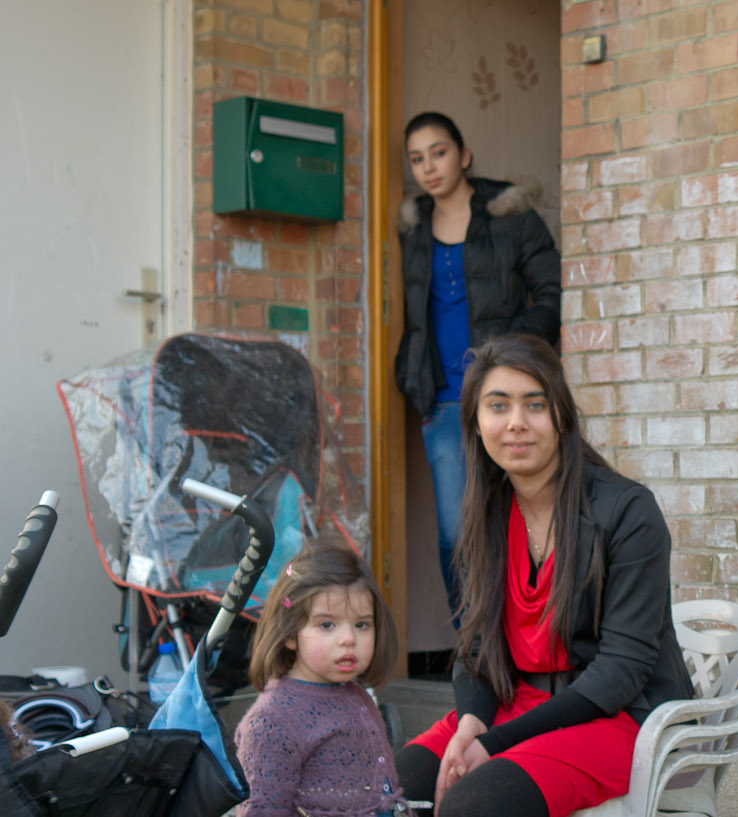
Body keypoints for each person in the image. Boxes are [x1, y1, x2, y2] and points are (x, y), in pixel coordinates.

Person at [395, 335, 693, 817]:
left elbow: (621, 670)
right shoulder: (485, 514)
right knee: (394, 789)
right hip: (520, 703)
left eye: (535, 404)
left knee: (474, 804)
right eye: (498, 405)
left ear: (561, 416)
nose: (516, 423)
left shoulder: (628, 511)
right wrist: (472, 723)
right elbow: (475, 649)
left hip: (618, 716)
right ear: (475, 421)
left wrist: (495, 742)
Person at [397, 112, 562, 621]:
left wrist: (512, 353)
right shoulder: (413, 227)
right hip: (444, 400)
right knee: (455, 532)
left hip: (504, 395)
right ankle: (473, 644)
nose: (429, 167)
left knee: (515, 520)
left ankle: (525, 635)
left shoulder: (509, 215)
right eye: (417, 158)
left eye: (439, 153)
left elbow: (552, 290)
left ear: (463, 156)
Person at [235, 544, 407, 817]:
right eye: (327, 624)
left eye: (362, 624)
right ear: (290, 634)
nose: (348, 639)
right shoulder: (272, 720)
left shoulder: (355, 694)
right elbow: (262, 809)